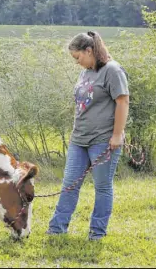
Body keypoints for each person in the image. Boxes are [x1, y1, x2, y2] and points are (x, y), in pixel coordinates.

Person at [46, 31, 130, 241]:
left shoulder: (112, 70)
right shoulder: (86, 71)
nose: (77, 62)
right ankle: (57, 229)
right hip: (79, 140)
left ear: (89, 50)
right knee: (69, 184)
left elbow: (122, 102)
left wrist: (117, 135)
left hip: (102, 140)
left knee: (102, 187)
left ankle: (97, 233)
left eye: (78, 57)